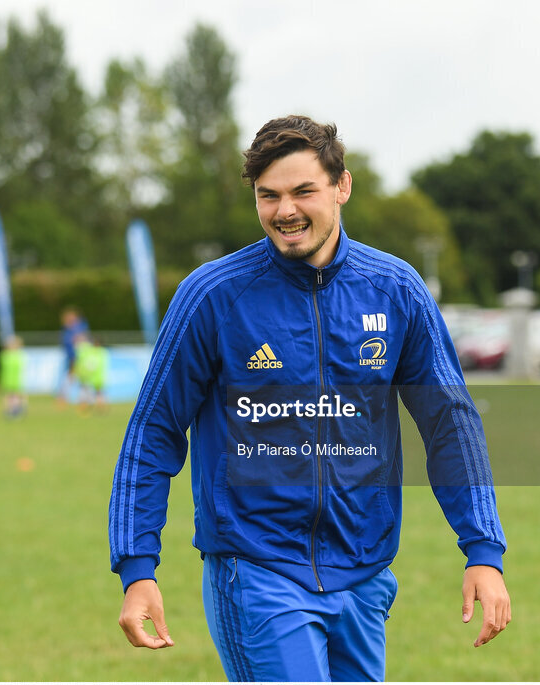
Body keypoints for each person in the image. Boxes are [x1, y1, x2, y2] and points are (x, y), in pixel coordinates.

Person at [109, 115, 510, 681]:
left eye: (303, 191)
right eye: (267, 196)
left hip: (365, 575)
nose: (284, 210)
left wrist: (483, 550)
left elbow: (449, 425)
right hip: (256, 571)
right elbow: (153, 432)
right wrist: (137, 567)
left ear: (342, 186)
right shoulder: (211, 296)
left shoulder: (396, 289)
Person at [58, 307, 89, 404]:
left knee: (81, 378)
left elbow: (83, 342)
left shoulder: (79, 328)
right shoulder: (67, 331)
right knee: (70, 377)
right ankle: (64, 397)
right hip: (72, 357)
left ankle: (83, 399)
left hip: (80, 358)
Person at [74, 334, 109, 414]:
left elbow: (84, 358)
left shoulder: (91, 351)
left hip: (92, 375)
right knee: (97, 392)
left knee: (88, 391)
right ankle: (99, 407)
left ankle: (87, 407)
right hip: (96, 375)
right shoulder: (103, 352)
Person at [0, 336, 27, 419]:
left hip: (16, 379)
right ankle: (9, 410)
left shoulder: (19, 355)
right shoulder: (5, 355)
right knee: (8, 395)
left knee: (17, 395)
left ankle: (18, 409)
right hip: (7, 379)